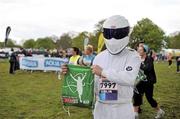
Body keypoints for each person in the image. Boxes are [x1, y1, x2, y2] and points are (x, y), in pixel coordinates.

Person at [62, 15, 141, 119]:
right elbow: (91, 82)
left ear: (126, 33)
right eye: (109, 33)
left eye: (117, 34)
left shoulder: (132, 56)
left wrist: (103, 72)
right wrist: (70, 73)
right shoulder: (99, 57)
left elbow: (129, 78)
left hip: (122, 109)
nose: (113, 38)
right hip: (101, 108)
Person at [133, 46, 165, 119]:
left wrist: (139, 64)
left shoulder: (149, 59)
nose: (138, 51)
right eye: (138, 50)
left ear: (145, 51)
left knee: (149, 98)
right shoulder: (136, 59)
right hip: (139, 82)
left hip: (148, 83)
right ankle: (135, 115)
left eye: (140, 50)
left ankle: (160, 111)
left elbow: (147, 68)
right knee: (136, 97)